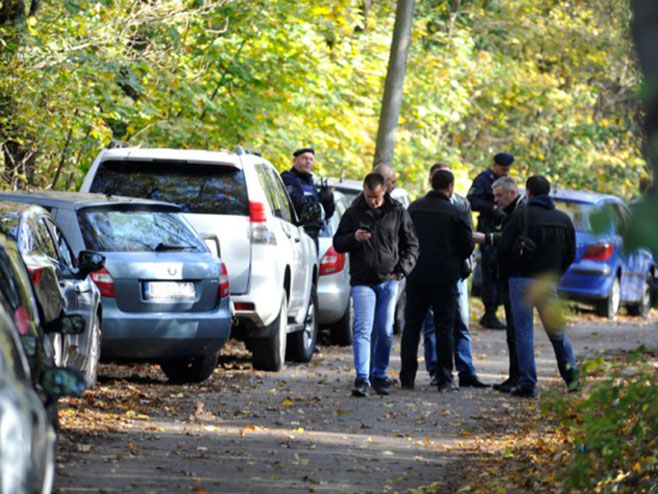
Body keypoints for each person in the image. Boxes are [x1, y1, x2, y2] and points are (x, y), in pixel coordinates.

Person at [333, 172, 419, 397]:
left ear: (385, 192)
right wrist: (354, 238)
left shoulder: (397, 212)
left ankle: (379, 374)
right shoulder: (353, 213)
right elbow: (338, 243)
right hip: (362, 280)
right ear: (364, 191)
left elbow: (412, 244)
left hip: (389, 280)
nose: (373, 201)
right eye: (370, 196)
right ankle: (362, 377)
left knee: (385, 330)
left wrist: (402, 270)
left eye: (378, 197)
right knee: (363, 328)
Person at [497, 175, 577, 398]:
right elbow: (571, 253)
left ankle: (528, 383)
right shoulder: (563, 219)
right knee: (557, 332)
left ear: (528, 192)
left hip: (521, 279)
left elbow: (504, 249)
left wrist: (507, 273)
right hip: (547, 281)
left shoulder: (521, 216)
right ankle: (572, 377)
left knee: (523, 332)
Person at [401, 169, 474, 392]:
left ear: (431, 182)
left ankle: (407, 377)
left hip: (417, 276)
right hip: (445, 278)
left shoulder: (414, 207)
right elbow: (467, 246)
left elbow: (403, 237)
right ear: (450, 187)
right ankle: (444, 378)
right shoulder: (456, 212)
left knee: (412, 327)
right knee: (444, 328)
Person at [422, 163, 488, 388]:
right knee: (432, 324)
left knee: (461, 322)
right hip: (433, 271)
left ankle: (466, 370)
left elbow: (466, 237)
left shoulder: (462, 203)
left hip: (457, 271)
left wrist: (464, 263)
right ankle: (436, 369)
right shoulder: (424, 205)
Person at [474, 176, 524, 392]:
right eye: (494, 197)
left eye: (499, 196)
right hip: (510, 278)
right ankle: (516, 377)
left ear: (512, 193)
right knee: (513, 334)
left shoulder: (520, 214)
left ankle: (521, 379)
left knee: (518, 333)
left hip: (518, 279)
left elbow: (510, 241)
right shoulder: (512, 212)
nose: (496, 202)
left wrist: (487, 240)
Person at [467, 152, 513, 329]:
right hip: (487, 229)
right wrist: (492, 209)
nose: (505, 173)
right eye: (503, 169)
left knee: (500, 271)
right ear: (495, 165)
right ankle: (489, 311)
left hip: (501, 229)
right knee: (490, 271)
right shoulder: (483, 180)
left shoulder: (505, 180)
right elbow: (472, 201)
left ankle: (495, 308)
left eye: (507, 170)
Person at [281, 147, 335, 252]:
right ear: (294, 161)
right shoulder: (288, 178)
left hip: (313, 234)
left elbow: (325, 214)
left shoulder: (310, 182)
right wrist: (318, 200)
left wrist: (328, 201)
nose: (308, 162)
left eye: (311, 159)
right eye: (304, 158)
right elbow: (297, 202)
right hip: (296, 233)